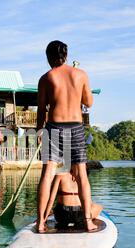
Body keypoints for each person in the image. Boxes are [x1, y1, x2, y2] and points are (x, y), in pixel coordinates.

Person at [36, 40, 95, 233]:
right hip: (76, 127)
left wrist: (39, 131)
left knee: (47, 175)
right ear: (66, 56)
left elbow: (41, 110)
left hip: (53, 127)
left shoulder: (46, 78)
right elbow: (89, 102)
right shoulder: (81, 75)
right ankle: (88, 222)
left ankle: (40, 223)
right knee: (82, 176)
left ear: (48, 58)